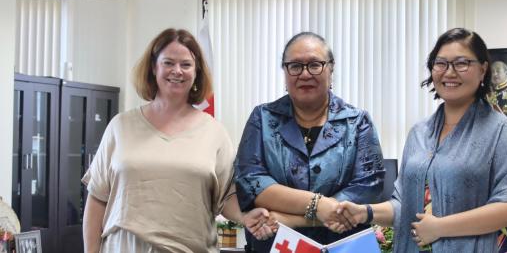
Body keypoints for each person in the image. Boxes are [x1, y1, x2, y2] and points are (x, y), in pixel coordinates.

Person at [336, 28, 507, 252]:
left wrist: (441, 227)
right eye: (441, 63)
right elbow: (405, 205)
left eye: (462, 63)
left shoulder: (501, 131)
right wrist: (365, 212)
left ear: (483, 70)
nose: (449, 72)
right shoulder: (419, 133)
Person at [81, 28, 273, 253]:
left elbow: (227, 197)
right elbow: (97, 201)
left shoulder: (214, 132)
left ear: (196, 72)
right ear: (154, 68)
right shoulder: (120, 126)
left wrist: (245, 216)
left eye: (186, 64)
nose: (177, 71)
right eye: (168, 63)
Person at [234, 31, 385, 252]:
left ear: (331, 69)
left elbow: (368, 188)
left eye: (315, 65)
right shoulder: (263, 118)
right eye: (295, 66)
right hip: (275, 244)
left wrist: (291, 218)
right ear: (285, 72)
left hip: (343, 245)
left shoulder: (357, 121)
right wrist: (319, 206)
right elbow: (250, 182)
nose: (305, 74)